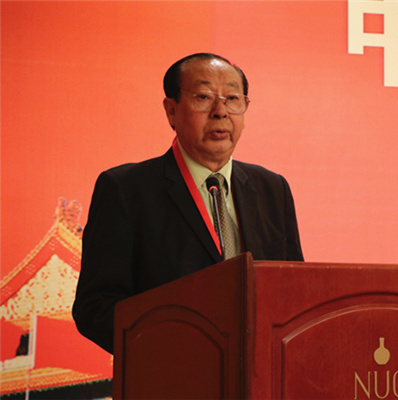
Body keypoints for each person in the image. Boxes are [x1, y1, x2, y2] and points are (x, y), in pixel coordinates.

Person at [72, 53, 304, 354]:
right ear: (171, 111)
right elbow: (95, 306)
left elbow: (295, 291)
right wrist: (171, 352)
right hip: (171, 371)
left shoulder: (272, 188)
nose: (221, 112)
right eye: (203, 97)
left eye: (233, 99)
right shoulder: (126, 189)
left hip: (259, 372)